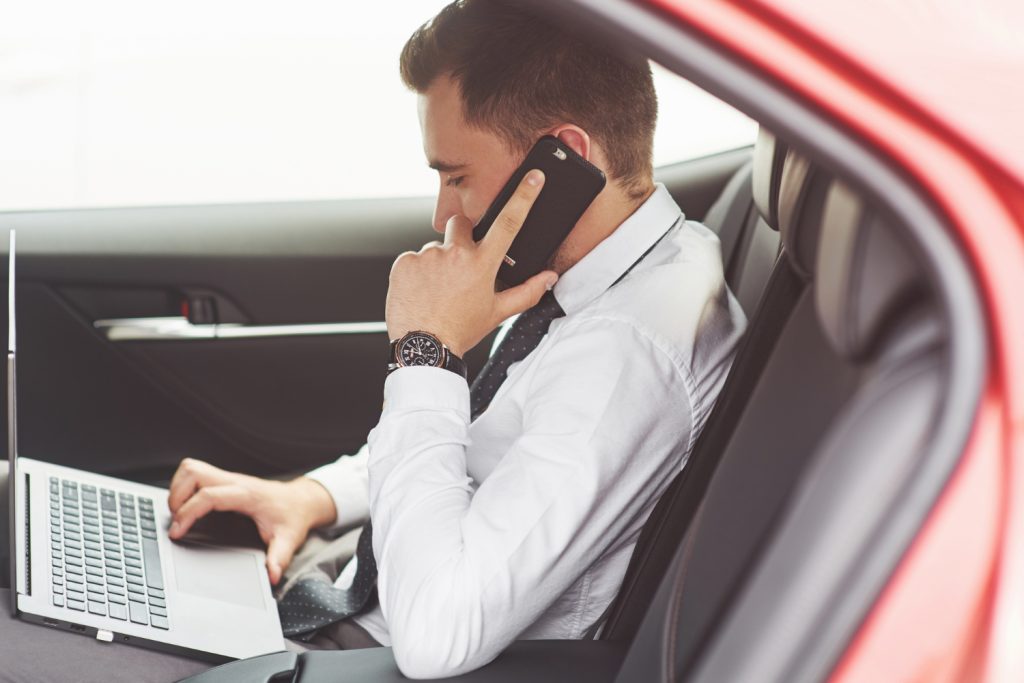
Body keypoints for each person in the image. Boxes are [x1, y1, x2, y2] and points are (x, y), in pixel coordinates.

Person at [0, 1, 745, 680]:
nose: (442, 213)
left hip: (364, 654)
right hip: (348, 594)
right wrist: (315, 497)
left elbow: (437, 634)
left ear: (562, 160)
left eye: (457, 176)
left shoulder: (623, 358)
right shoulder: (620, 266)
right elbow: (477, 446)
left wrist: (427, 351)